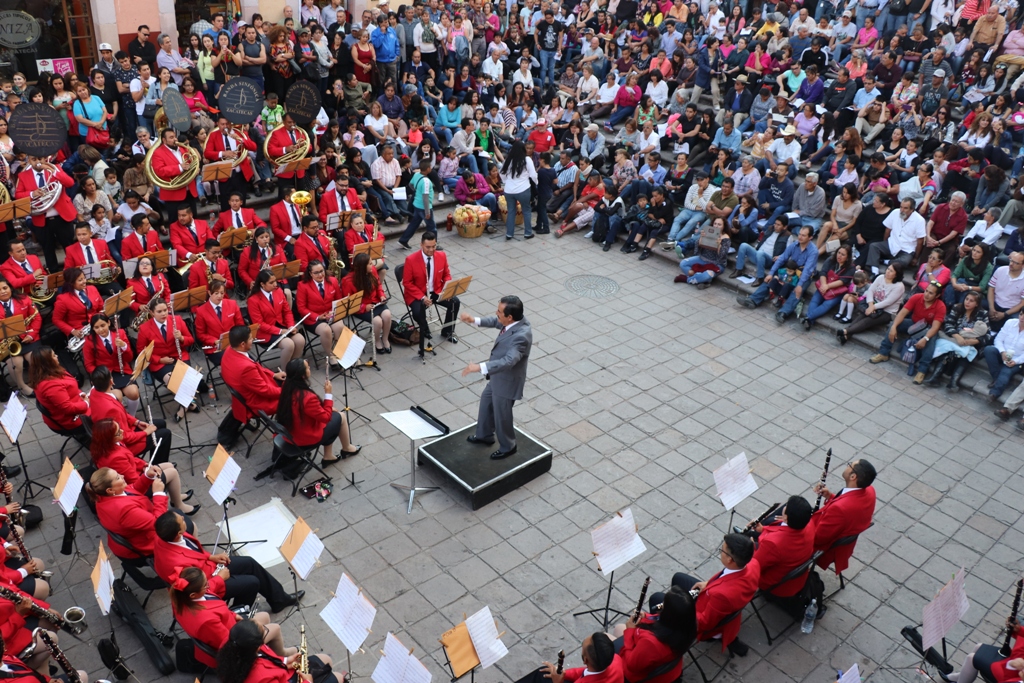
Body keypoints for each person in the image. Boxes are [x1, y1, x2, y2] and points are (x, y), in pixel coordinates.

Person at [154, 511, 302, 612]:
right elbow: (196, 590)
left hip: (208, 568)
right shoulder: (178, 564)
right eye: (181, 521)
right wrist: (220, 578)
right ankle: (238, 615)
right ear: (179, 533)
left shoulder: (164, 536)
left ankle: (279, 599)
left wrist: (210, 557)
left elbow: (192, 552)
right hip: (207, 585)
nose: (183, 518)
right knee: (252, 583)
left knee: (249, 563)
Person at [168, 566, 289, 670]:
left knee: (265, 616)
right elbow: (230, 646)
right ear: (193, 595)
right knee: (275, 628)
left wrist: (234, 616)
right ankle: (282, 658)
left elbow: (215, 605)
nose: (208, 586)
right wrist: (251, 637)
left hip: (231, 628)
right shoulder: (206, 621)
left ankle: (273, 652)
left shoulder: (181, 598)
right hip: (234, 647)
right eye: (205, 585)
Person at [458, 296, 532, 459]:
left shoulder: (521, 336)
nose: (496, 313)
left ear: (510, 317)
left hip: (506, 382)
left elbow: (508, 361)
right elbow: (495, 321)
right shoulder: (512, 321)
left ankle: (508, 446)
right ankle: (485, 435)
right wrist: (473, 320)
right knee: (486, 402)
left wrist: (479, 367)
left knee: (502, 415)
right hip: (498, 377)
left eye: (499, 311)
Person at [664, 534, 759, 656]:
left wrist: (680, 610)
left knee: (658, 599)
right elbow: (727, 576)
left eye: (722, 550)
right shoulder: (754, 563)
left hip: (706, 613)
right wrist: (709, 583)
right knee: (678, 578)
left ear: (730, 559)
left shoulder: (721, 595)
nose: (720, 552)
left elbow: (704, 623)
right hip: (717, 595)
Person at [90, 466, 196, 561]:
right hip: (145, 542)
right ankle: (194, 557)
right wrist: (158, 493)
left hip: (142, 528)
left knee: (178, 515)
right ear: (110, 490)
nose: (122, 476)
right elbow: (159, 523)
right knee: (191, 525)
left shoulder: (106, 495)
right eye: (117, 478)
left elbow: (133, 490)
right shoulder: (124, 510)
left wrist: (147, 477)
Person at [135, 297, 208, 421]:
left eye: (165, 310)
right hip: (160, 363)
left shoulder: (177, 320)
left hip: (179, 357)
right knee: (172, 380)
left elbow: (190, 340)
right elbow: (141, 352)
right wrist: (159, 359)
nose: (164, 313)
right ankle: (189, 404)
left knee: (180, 379)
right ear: (152, 313)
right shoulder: (145, 328)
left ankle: (183, 408)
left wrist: (181, 338)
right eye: (159, 311)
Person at [609, 586, 696, 683]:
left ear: (667, 614)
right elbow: (659, 619)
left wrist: (630, 631)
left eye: (664, 605)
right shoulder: (687, 626)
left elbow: (631, 665)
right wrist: (646, 617)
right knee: (619, 628)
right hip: (666, 669)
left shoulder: (652, 643)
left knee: (607, 638)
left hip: (637, 674)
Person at [217, 325, 285, 449]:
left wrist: (273, 374)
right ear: (242, 344)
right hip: (256, 402)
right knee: (295, 398)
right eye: (250, 338)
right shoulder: (245, 368)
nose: (253, 339)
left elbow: (257, 367)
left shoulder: (229, 350)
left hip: (244, 394)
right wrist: (285, 391)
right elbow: (265, 391)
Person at [736, 226, 818, 322]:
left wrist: (799, 285)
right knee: (770, 278)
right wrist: (771, 273)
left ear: (810, 237)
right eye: (799, 234)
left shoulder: (813, 251)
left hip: (804, 274)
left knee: (798, 290)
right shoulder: (794, 245)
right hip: (791, 269)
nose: (800, 237)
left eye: (803, 235)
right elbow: (782, 258)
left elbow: (807, 270)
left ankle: (783, 312)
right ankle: (753, 300)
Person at [217, 619, 339, 683]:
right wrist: (307, 680)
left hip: (281, 673)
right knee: (337, 676)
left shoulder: (231, 644)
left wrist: (285, 661)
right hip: (287, 679)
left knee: (325, 659)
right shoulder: (263, 677)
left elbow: (266, 659)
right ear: (258, 646)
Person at [812, 459, 877, 575]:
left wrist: (793, 523)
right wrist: (830, 496)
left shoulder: (839, 509)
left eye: (850, 465)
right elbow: (849, 511)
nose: (847, 466)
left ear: (853, 476)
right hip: (844, 542)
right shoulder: (870, 491)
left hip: (825, 548)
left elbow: (818, 538)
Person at [403, 231, 460, 358]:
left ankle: (447, 331)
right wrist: (422, 298)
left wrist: (447, 289)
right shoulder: (411, 260)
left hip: (436, 291)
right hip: (418, 293)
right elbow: (407, 283)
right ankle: (425, 328)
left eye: (433, 246)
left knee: (455, 302)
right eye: (428, 247)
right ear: (421, 245)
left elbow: (446, 274)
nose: (431, 250)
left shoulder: (442, 256)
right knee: (418, 313)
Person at [15, 156, 76, 273]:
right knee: (48, 249)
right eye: (34, 159)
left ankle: (74, 271)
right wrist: (32, 194)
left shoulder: (55, 168)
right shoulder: (23, 175)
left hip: (61, 216)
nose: (38, 162)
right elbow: (18, 195)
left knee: (68, 246)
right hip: (41, 219)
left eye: (41, 159)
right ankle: (53, 274)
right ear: (29, 161)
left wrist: (54, 172)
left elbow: (70, 183)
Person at [247, 270, 305, 369]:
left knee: (300, 340)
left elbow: (287, 311)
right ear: (262, 284)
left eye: (275, 281)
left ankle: (294, 367)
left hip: (282, 326)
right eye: (271, 282)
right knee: (289, 345)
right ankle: (285, 371)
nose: (275, 284)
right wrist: (280, 331)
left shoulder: (278, 291)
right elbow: (259, 324)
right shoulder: (253, 300)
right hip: (266, 332)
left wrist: (291, 325)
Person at [341, 253, 392, 354]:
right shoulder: (347, 281)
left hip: (375, 301)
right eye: (369, 263)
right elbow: (350, 302)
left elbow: (378, 285)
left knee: (387, 315)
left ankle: (385, 339)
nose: (372, 265)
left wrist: (382, 295)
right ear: (362, 267)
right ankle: (377, 341)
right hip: (361, 307)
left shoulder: (372, 270)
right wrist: (364, 307)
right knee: (378, 321)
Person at [521, 633, 622, 683]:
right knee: (543, 673)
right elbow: (583, 672)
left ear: (585, 660)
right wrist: (562, 673)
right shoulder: (616, 660)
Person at [52, 267, 104, 344]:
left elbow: (101, 308)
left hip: (97, 324)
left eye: (84, 278)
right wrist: (72, 331)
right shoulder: (63, 299)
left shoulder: (93, 288)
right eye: (80, 280)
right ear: (71, 283)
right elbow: (56, 319)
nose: (84, 281)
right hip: (80, 331)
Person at [499, 140, 538, 240]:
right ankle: (528, 233)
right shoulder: (527, 160)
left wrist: (506, 181)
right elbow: (533, 175)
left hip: (508, 190)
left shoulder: (508, 160)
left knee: (511, 211)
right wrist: (537, 183)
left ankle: (509, 234)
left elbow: (502, 173)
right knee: (526, 210)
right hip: (523, 189)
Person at [983, 312, 1024, 402]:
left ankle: (994, 394)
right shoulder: (1010, 322)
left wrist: (1015, 361)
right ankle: (998, 379)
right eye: (1021, 314)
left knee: (1006, 371)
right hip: (1003, 352)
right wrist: (1002, 352)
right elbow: (999, 339)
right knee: (989, 350)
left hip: (1016, 359)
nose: (1022, 317)